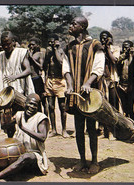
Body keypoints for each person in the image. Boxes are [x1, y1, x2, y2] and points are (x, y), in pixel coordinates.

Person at [64, 16, 105, 173]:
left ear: (82, 27)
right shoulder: (70, 46)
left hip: (90, 94)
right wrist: (69, 85)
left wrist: (88, 83)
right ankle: (82, 160)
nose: (70, 26)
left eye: (73, 24)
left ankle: (94, 161)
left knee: (91, 128)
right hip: (75, 94)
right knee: (78, 128)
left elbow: (99, 67)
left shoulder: (95, 45)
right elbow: (66, 67)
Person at [0, 93, 50, 180]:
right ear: (25, 104)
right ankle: (0, 172)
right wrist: (2, 112)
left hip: (34, 155)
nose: (32, 107)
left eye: (35, 105)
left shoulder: (41, 118)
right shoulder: (19, 114)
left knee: (26, 157)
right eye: (30, 103)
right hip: (17, 152)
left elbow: (43, 137)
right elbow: (5, 126)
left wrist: (23, 128)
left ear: (38, 107)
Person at [0, 31, 35, 137]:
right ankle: (12, 143)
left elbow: (28, 70)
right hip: (5, 94)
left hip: (21, 91)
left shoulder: (21, 53)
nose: (5, 46)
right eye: (3, 44)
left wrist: (15, 77)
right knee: (8, 123)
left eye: (7, 44)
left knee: (23, 120)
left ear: (13, 42)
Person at [44, 35, 69, 138]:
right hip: (50, 80)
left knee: (62, 107)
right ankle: (54, 129)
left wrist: (55, 49)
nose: (51, 44)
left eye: (53, 42)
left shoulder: (61, 52)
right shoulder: (48, 54)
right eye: (49, 42)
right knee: (50, 106)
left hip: (60, 81)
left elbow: (60, 63)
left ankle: (64, 130)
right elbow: (44, 66)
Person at [99, 31, 120, 139]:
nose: (103, 40)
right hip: (102, 80)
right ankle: (105, 131)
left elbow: (114, 61)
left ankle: (114, 131)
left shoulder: (115, 49)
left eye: (106, 38)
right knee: (103, 106)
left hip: (112, 79)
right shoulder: (98, 50)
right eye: (102, 38)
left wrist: (107, 48)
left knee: (113, 105)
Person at [116, 40, 134, 122]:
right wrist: (124, 54)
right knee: (124, 108)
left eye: (127, 48)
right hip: (121, 85)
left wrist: (131, 55)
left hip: (131, 85)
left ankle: (133, 126)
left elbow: (132, 69)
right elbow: (117, 64)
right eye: (124, 47)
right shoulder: (121, 58)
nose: (125, 49)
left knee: (130, 107)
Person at [28, 37, 48, 115]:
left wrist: (32, 58)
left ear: (37, 45)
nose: (31, 46)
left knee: (43, 100)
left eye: (33, 44)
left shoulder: (40, 54)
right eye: (30, 45)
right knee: (35, 100)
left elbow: (41, 66)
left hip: (37, 79)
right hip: (30, 79)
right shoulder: (29, 54)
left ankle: (45, 117)